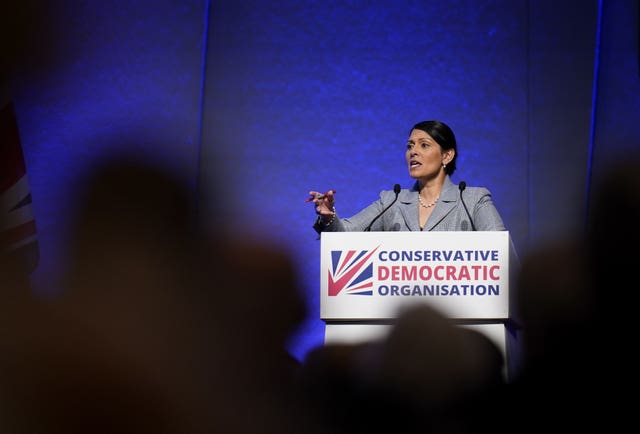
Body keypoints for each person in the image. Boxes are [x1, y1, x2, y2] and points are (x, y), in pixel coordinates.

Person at [310, 120, 506, 233]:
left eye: (424, 145)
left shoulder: (472, 201)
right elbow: (346, 235)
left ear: (447, 155)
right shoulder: (391, 201)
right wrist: (329, 217)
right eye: (410, 146)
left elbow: (502, 255)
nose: (413, 152)